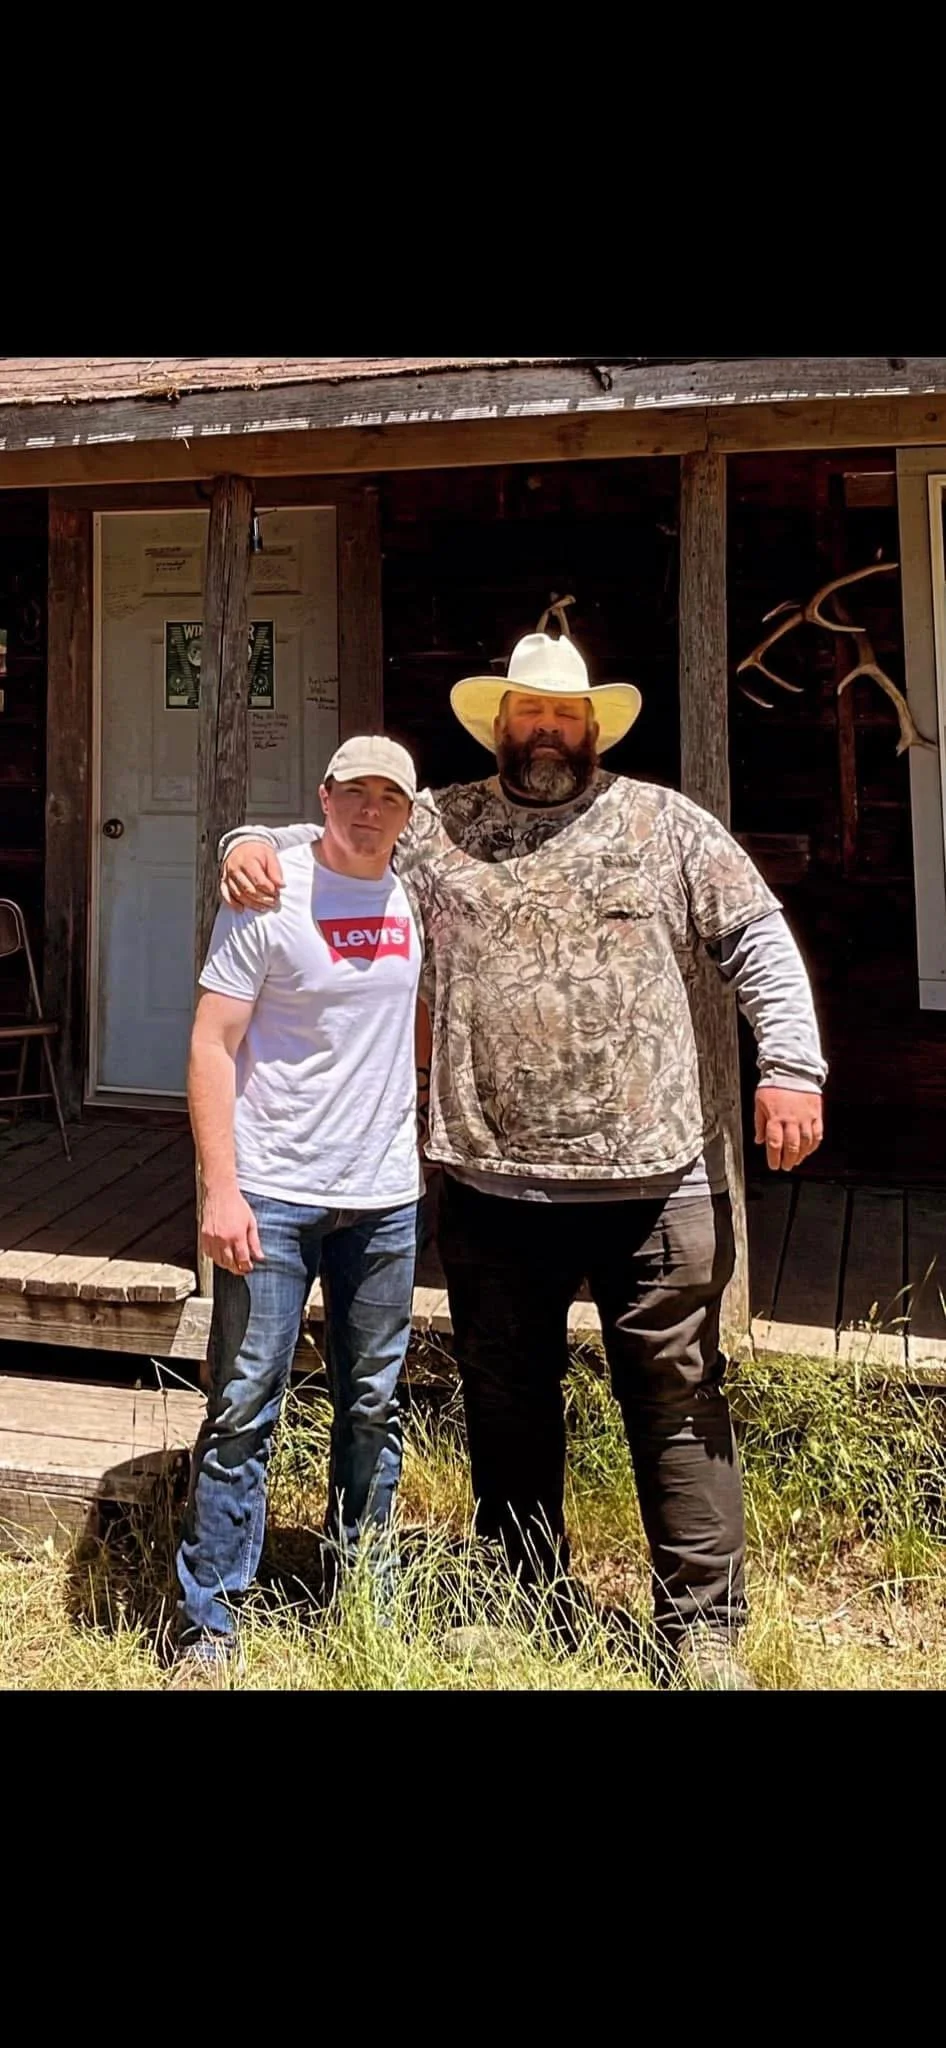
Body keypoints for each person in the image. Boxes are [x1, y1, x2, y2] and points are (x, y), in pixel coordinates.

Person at [218, 615, 826, 1689]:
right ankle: (519, 1592)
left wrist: (792, 1067)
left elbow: (758, 939)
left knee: (677, 1394)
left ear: (592, 727)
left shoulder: (664, 824)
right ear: (500, 726)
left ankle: (703, 1626)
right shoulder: (438, 824)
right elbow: (330, 836)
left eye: (563, 714)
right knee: (507, 1391)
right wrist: (241, 844)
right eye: (528, 713)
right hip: (494, 1176)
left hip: (657, 1176)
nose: (545, 730)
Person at [174, 736, 422, 1680]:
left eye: (386, 798)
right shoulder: (266, 892)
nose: (368, 811)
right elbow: (210, 1044)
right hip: (271, 1192)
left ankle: (362, 1591)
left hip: (385, 1196)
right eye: (351, 792)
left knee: (373, 1402)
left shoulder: (416, 891)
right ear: (322, 796)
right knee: (244, 1403)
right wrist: (222, 1188)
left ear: (408, 810)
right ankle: (212, 1620)